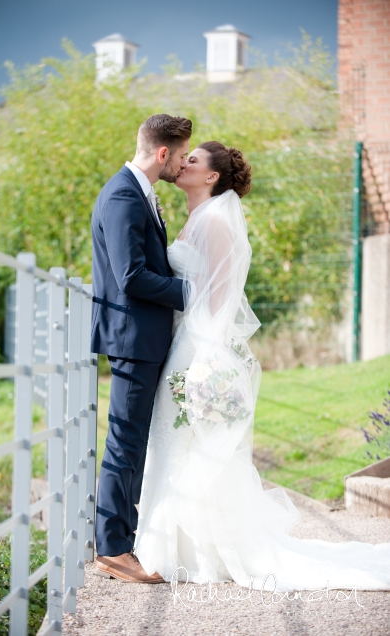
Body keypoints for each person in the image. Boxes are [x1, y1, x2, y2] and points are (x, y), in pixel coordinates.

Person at [133, 141, 390, 591]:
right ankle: (167, 544)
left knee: (186, 440)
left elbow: (218, 299)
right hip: (183, 340)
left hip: (198, 347)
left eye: (192, 160)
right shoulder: (197, 217)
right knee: (176, 441)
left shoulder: (214, 221)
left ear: (211, 176)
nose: (183, 163)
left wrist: (207, 360)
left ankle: (191, 550)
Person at [89, 113, 192, 583]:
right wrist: (193, 294)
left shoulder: (136, 192)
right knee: (124, 443)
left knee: (132, 442)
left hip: (142, 337)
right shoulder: (123, 195)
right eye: (182, 154)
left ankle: (123, 542)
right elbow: (130, 276)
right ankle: (112, 548)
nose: (185, 163)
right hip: (132, 338)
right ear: (163, 153)